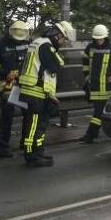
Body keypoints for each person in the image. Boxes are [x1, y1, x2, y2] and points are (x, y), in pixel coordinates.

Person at [18, 21, 75, 167]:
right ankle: (31, 157)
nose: (63, 42)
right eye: (64, 39)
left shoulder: (39, 43)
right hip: (34, 91)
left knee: (40, 125)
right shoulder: (45, 46)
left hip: (38, 91)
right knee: (34, 127)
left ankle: (38, 153)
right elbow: (55, 66)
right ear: (56, 36)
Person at [0, 20, 32, 158]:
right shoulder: (0, 44)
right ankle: (2, 147)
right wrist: (4, 72)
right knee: (7, 116)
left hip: (25, 84)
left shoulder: (28, 42)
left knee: (29, 113)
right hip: (8, 85)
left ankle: (26, 143)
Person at [83, 24, 111, 144]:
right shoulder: (89, 48)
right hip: (92, 86)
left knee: (98, 112)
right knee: (98, 111)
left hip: (104, 87)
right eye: (97, 38)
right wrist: (86, 76)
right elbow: (85, 62)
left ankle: (90, 135)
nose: (99, 41)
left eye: (101, 38)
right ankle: (97, 133)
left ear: (105, 37)